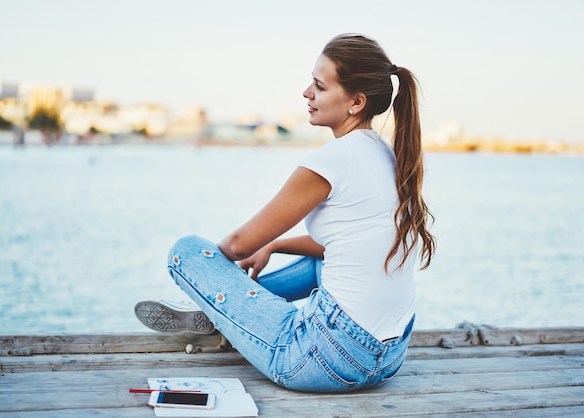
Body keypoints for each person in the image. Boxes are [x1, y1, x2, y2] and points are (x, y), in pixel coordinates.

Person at [135, 33, 435, 393]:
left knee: (186, 252)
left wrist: (214, 279)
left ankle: (216, 310)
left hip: (320, 359)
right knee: (322, 263)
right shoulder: (385, 155)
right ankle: (221, 311)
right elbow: (347, 245)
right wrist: (276, 244)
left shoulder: (333, 159)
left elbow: (238, 244)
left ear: (356, 102)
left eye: (320, 86)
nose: (307, 93)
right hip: (388, 357)